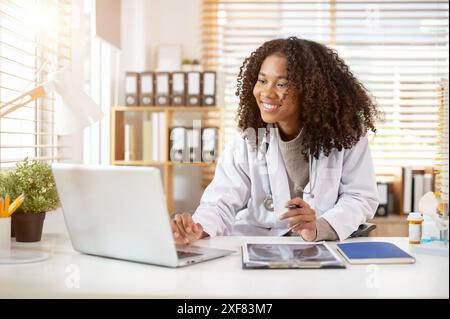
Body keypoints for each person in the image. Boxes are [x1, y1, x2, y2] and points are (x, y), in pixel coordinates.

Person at [171, 37, 380, 244]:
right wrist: (197, 228)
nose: (267, 93)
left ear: (310, 91)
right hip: (262, 244)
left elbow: (360, 197)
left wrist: (319, 227)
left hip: (322, 246)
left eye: (281, 84)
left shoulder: (346, 135)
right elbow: (220, 202)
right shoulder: (248, 139)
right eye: (262, 81)